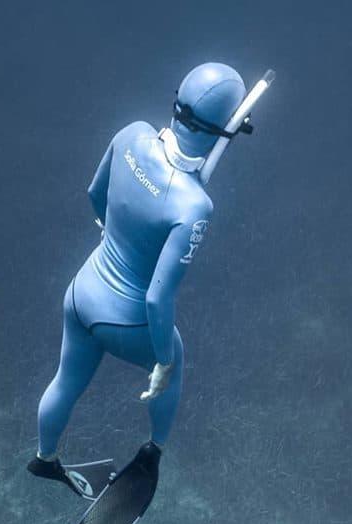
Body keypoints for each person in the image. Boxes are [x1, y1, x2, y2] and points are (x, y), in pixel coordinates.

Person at [27, 62, 255, 495]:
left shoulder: (131, 134)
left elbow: (95, 195)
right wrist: (163, 362)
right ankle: (151, 455)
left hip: (81, 292)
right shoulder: (194, 206)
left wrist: (117, 234)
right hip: (125, 319)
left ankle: (45, 458)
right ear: (228, 128)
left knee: (66, 380)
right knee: (174, 356)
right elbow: (156, 299)